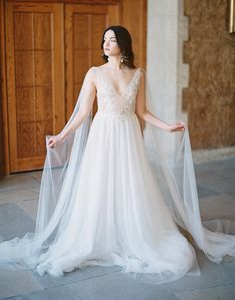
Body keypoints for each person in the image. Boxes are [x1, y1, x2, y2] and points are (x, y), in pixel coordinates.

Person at [0, 25, 234, 284]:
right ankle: (97, 233)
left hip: (128, 136)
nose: (106, 43)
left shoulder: (138, 74)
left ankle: (133, 231)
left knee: (130, 183)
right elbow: (83, 112)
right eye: (104, 39)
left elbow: (142, 112)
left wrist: (167, 126)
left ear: (123, 44)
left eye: (112, 39)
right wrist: (62, 135)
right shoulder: (95, 73)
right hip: (103, 135)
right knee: (100, 182)